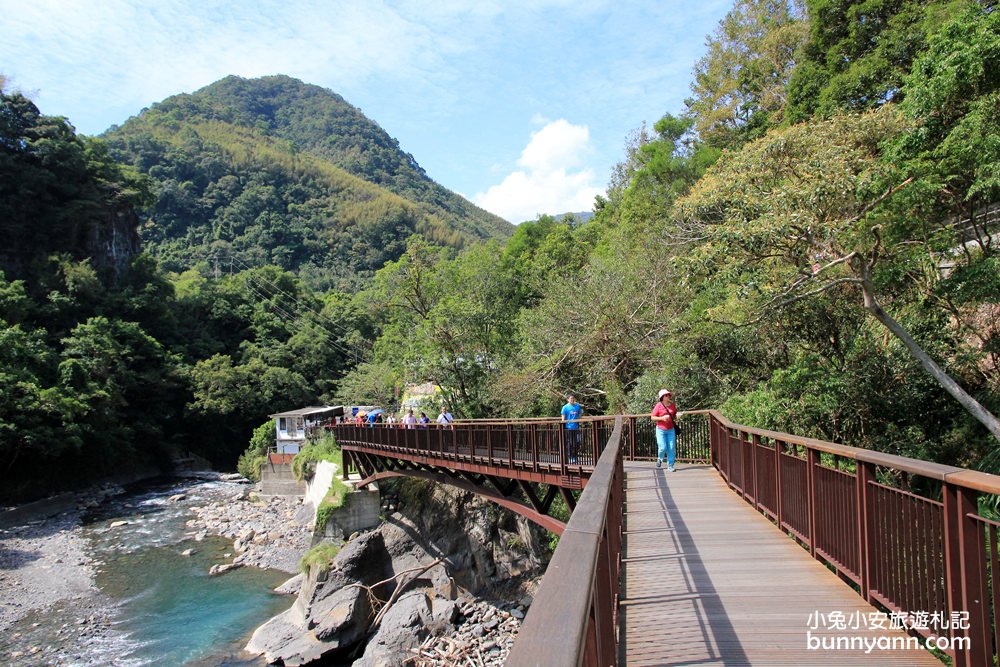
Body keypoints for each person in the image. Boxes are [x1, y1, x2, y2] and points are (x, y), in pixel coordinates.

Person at [652, 389, 678, 471]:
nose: (668, 396)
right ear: (662, 397)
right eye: (666, 395)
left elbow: (674, 414)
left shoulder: (673, 405)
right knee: (662, 447)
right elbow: (652, 417)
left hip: (671, 429)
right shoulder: (658, 405)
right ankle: (660, 458)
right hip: (660, 429)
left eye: (669, 395)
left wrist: (677, 416)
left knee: (671, 447)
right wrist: (662, 418)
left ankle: (670, 465)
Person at [561, 395, 583, 464]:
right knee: (570, 443)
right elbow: (563, 418)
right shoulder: (565, 407)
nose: (572, 399)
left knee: (578, 441)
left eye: (573, 398)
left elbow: (580, 415)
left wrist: (580, 420)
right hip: (569, 428)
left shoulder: (577, 406)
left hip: (576, 427)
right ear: (568, 399)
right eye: (571, 398)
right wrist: (564, 426)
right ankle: (571, 457)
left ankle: (575, 456)